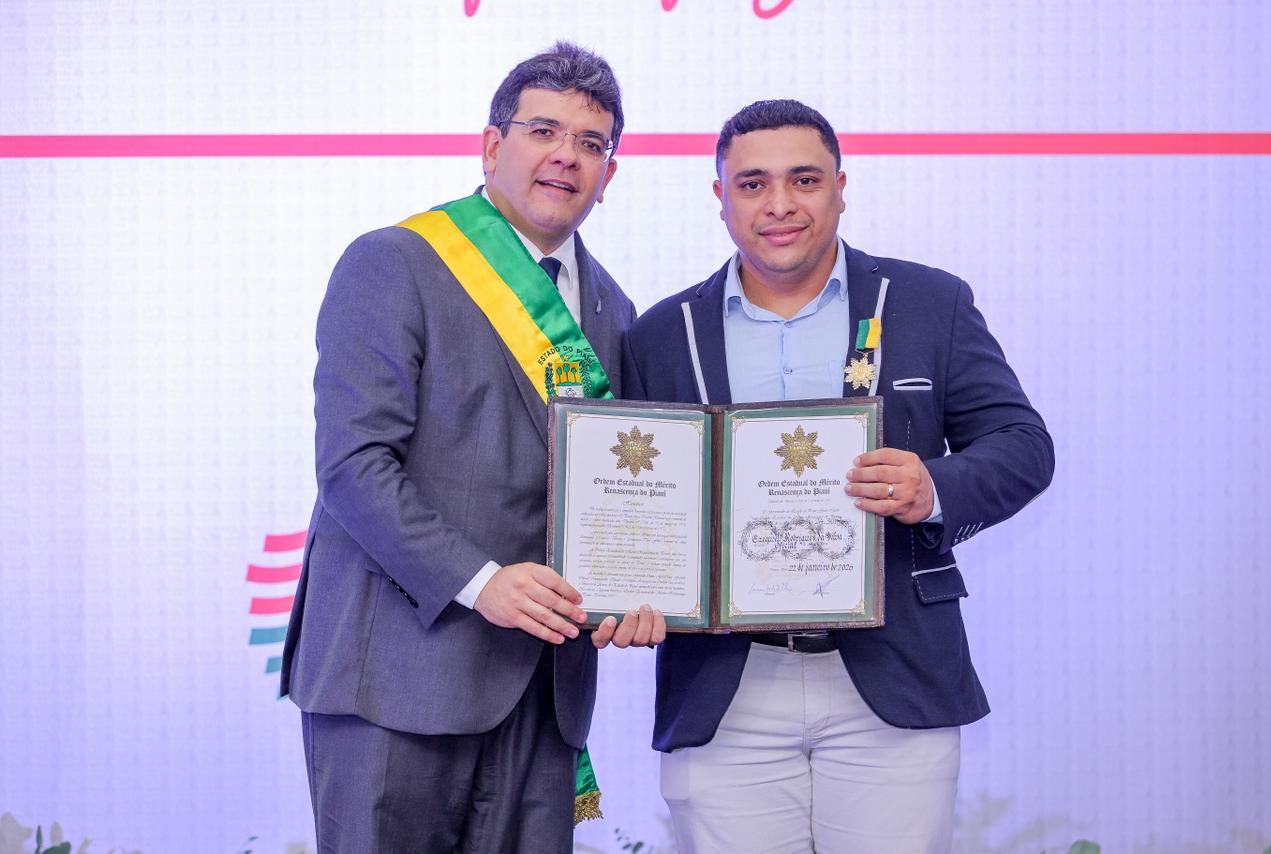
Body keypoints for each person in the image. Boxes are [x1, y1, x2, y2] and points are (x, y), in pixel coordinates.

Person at [620, 99, 1054, 853]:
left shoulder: (930, 303)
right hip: (723, 688)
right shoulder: (660, 333)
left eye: (804, 179)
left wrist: (932, 488)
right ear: (720, 197)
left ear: (841, 188)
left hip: (894, 675)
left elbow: (1023, 446)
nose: (780, 204)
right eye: (753, 183)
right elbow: (636, 501)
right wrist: (626, 585)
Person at [280, 42, 662, 853]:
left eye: (590, 143)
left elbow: (616, 495)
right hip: (396, 680)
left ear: (609, 174)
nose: (565, 156)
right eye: (543, 131)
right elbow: (354, 466)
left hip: (546, 693)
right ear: (493, 147)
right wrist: (481, 582)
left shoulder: (616, 311)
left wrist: (643, 586)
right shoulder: (394, 263)